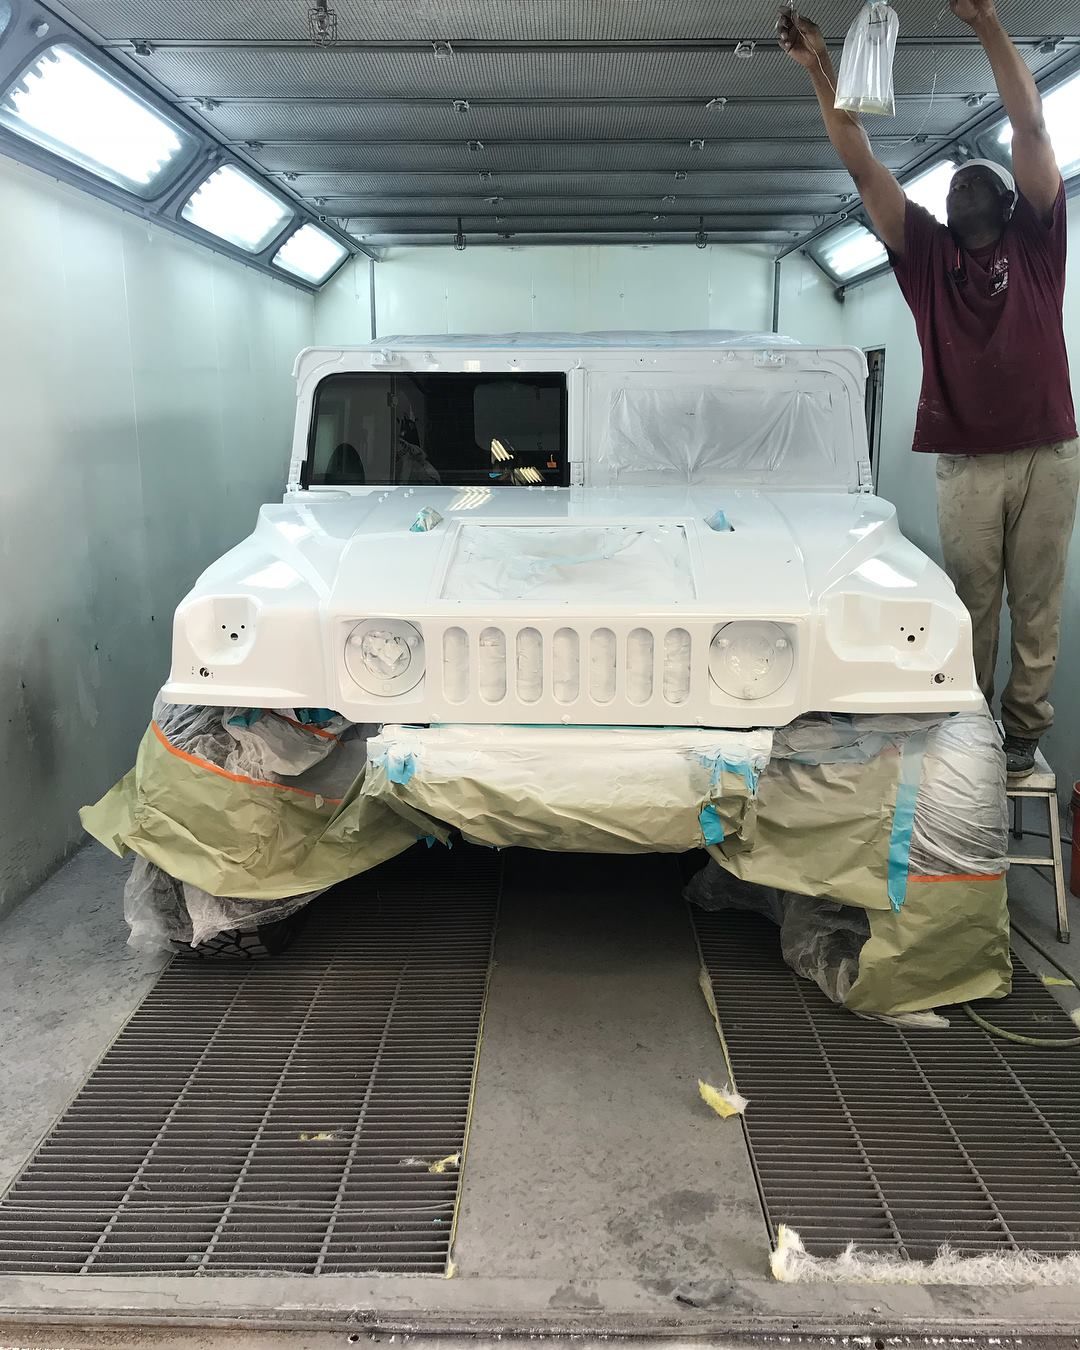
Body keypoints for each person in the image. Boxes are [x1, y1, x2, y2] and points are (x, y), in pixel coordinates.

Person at [778, 0, 1078, 777]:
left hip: (1049, 453)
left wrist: (985, 22)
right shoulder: (926, 258)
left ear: (1010, 204)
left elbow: (1032, 128)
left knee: (1037, 607)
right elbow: (861, 163)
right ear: (943, 212)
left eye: (979, 178)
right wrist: (821, 68)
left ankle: (1023, 733)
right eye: (956, 184)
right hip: (967, 464)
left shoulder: (1039, 243)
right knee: (971, 607)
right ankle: (972, 729)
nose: (964, 185)